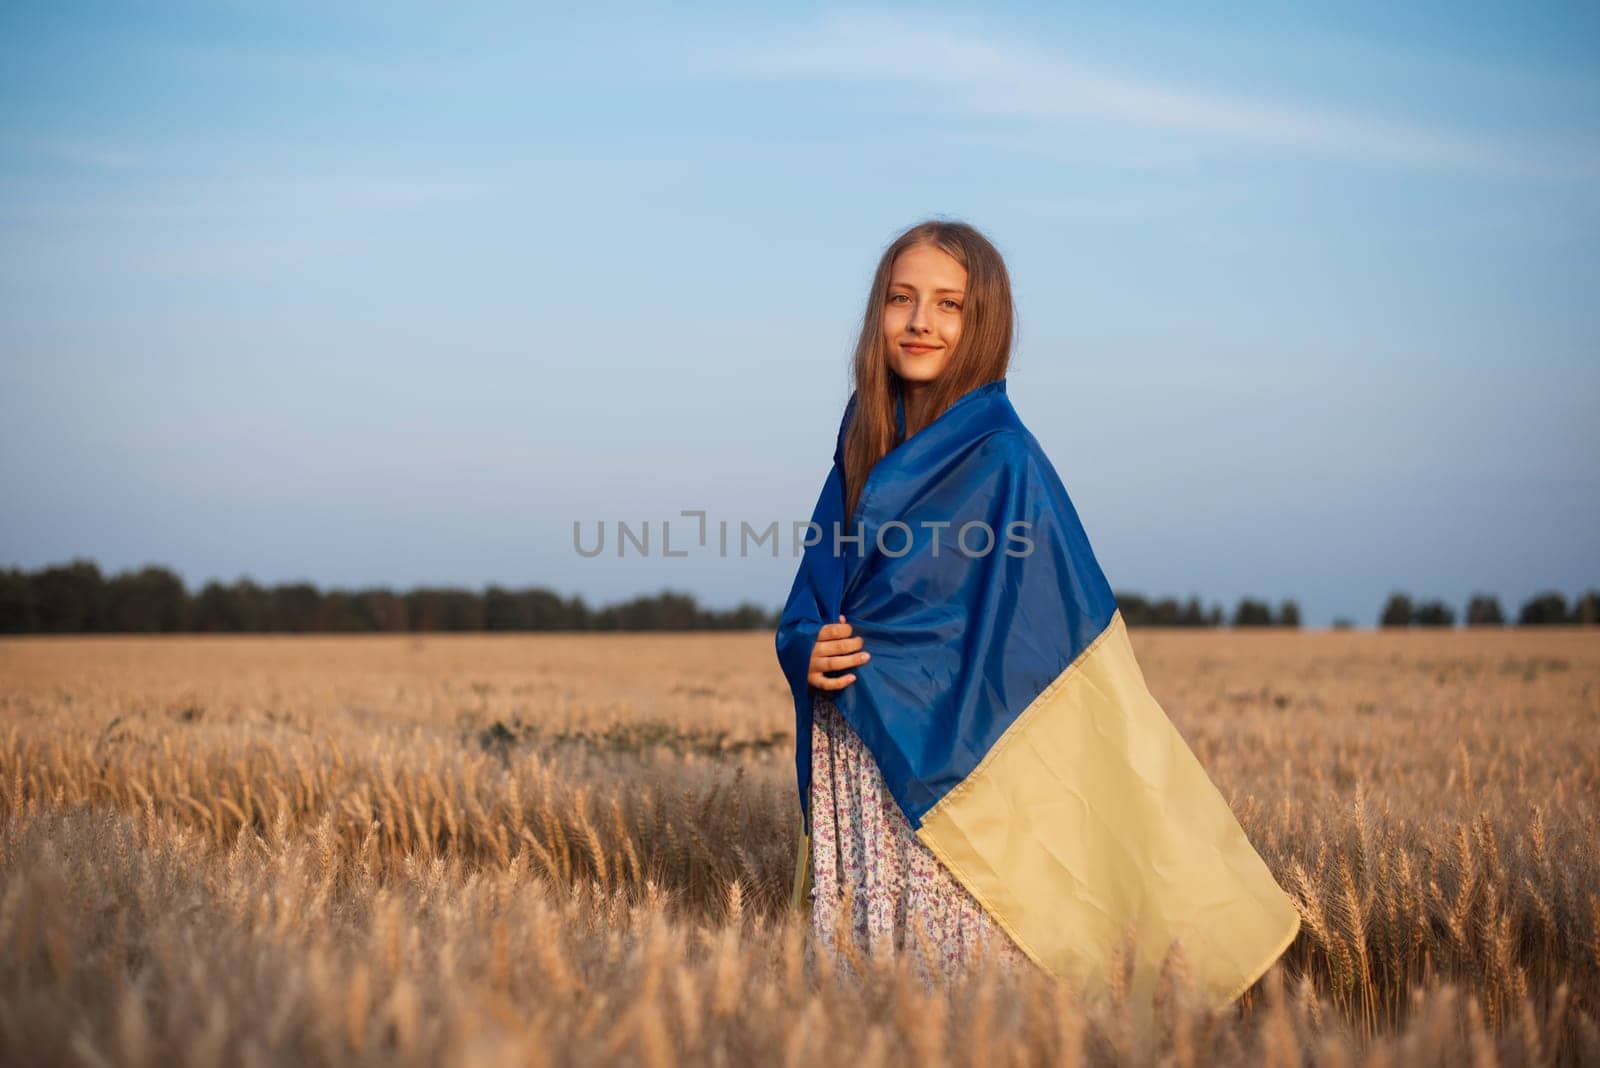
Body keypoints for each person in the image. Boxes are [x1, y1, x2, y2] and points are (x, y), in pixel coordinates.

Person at [775, 219, 1301, 1012]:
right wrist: (804, 647)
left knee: (953, 994)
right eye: (901, 299)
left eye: (949, 305)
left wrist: (911, 677)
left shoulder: (1004, 457)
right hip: (859, 751)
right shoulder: (863, 435)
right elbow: (819, 583)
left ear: (983, 324)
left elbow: (1033, 624)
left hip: (949, 771)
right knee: (865, 1003)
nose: (921, 322)